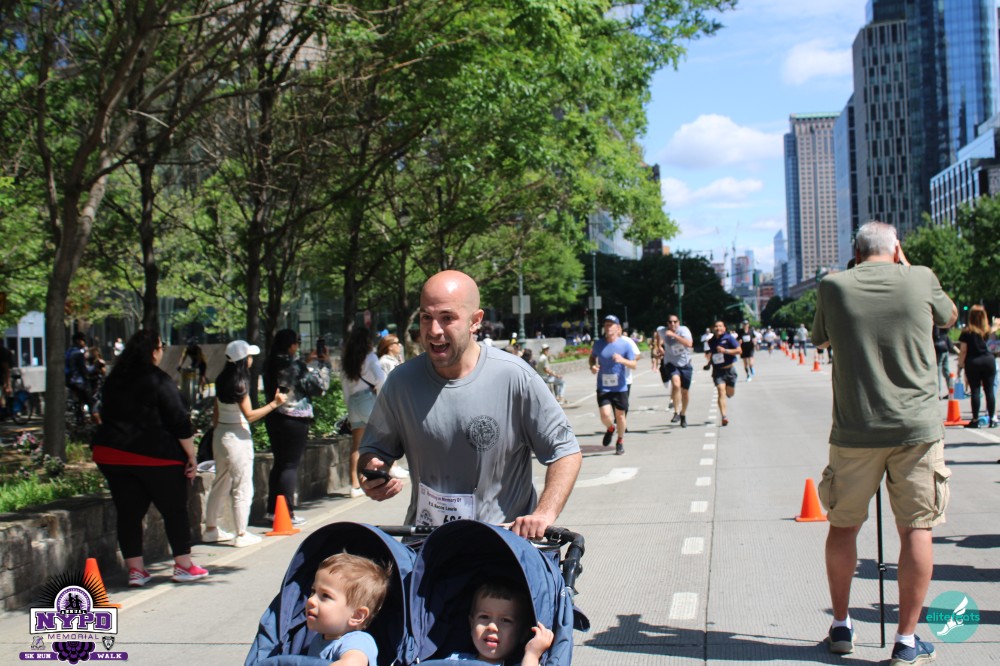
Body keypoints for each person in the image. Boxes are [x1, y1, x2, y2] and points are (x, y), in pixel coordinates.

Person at [811, 221, 957, 665]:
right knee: (916, 528)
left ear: (856, 253)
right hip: (916, 429)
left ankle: (841, 625)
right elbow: (950, 316)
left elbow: (821, 338)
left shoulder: (833, 286)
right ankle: (906, 640)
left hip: (856, 427)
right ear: (896, 250)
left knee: (843, 526)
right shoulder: (921, 277)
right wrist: (906, 267)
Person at [357, 270, 581, 539]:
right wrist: (373, 472)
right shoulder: (400, 382)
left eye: (447, 318)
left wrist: (544, 514)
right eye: (426, 317)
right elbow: (375, 450)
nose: (434, 330)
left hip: (500, 545)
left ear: (475, 321)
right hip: (426, 544)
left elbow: (566, 451)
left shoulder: (515, 377)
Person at [91, 330, 208, 586]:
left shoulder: (115, 379)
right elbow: (179, 420)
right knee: (174, 510)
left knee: (128, 513)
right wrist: (191, 455)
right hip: (157, 455)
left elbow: (102, 412)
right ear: (154, 351)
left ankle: (136, 571)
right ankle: (183, 565)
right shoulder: (159, 380)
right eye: (161, 346)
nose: (162, 351)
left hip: (113, 454)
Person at [203, 341, 287, 548]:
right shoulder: (240, 383)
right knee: (242, 486)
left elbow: (216, 413)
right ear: (242, 360)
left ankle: (211, 529)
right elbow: (249, 415)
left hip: (221, 434)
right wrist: (274, 404)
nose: (251, 359)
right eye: (249, 356)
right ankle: (241, 533)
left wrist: (217, 432)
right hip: (237, 438)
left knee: (220, 482)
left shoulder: (222, 379)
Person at [263, 329, 329, 526]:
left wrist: (305, 364)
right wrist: (322, 364)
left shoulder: (270, 363)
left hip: (274, 416)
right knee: (290, 466)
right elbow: (319, 387)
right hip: (295, 418)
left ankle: (272, 510)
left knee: (279, 464)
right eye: (297, 343)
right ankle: (286, 513)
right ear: (291, 345)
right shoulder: (295, 365)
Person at [304, 553, 390, 665]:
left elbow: (353, 663)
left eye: (325, 595)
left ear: (356, 615)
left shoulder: (357, 641)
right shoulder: (318, 639)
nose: (311, 600)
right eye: (313, 591)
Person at [441, 580, 554, 665]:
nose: (492, 626)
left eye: (506, 620)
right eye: (484, 617)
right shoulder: (454, 660)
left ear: (523, 633)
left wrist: (532, 654)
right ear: (472, 624)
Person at [341, 327, 388, 497]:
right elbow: (381, 378)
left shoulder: (347, 360)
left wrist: (349, 408)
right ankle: (380, 477)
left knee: (356, 445)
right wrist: (380, 395)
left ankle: (355, 486)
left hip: (354, 403)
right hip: (368, 399)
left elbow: (344, 386)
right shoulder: (370, 357)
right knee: (382, 439)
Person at [590, 314, 636, 455]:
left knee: (620, 416)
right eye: (606, 325)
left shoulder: (625, 345)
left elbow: (634, 364)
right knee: (605, 415)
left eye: (611, 325)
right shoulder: (599, 344)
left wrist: (622, 360)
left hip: (620, 387)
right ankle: (611, 428)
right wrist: (592, 366)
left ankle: (620, 441)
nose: (608, 327)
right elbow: (592, 357)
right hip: (603, 386)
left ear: (617, 328)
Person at [957, 304, 997, 429]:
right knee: (989, 390)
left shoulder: (967, 332)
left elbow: (963, 351)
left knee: (975, 390)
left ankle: (975, 420)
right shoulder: (987, 331)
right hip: (988, 360)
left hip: (973, 362)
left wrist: (960, 366)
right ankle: (992, 418)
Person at [653, 314, 693, 428]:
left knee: (685, 392)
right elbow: (657, 333)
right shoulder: (662, 330)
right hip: (670, 363)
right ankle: (676, 412)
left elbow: (689, 344)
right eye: (670, 322)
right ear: (667, 323)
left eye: (675, 322)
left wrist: (674, 335)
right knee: (676, 384)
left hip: (685, 364)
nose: (672, 324)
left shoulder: (684, 330)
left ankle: (683, 414)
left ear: (678, 322)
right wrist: (659, 347)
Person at [706, 321, 740, 427]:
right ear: (713, 329)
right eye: (716, 326)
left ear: (724, 328)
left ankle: (729, 393)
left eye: (720, 326)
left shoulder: (729, 338)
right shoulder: (711, 341)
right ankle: (724, 416)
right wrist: (708, 364)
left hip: (730, 370)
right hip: (718, 371)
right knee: (721, 391)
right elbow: (713, 355)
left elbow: (739, 350)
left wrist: (725, 351)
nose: (718, 328)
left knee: (730, 393)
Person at [66, 332, 100, 424]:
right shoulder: (78, 353)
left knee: (79, 403)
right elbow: (83, 370)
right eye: (83, 340)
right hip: (79, 382)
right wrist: (94, 367)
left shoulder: (69, 351)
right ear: (78, 341)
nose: (84, 343)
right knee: (91, 403)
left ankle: (80, 420)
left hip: (70, 381)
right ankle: (98, 423)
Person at [932, 325, 953, 399]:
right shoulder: (943, 323)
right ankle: (951, 391)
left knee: (938, 372)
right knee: (946, 370)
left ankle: (938, 393)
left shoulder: (935, 325)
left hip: (939, 349)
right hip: (945, 347)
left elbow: (935, 334)